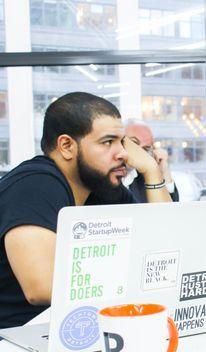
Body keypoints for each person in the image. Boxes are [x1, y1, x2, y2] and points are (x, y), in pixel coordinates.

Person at [0, 92, 172, 328]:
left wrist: (151, 170)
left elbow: (166, 240)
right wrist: (138, 276)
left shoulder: (100, 187)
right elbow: (41, 286)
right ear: (67, 146)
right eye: (107, 142)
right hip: (15, 342)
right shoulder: (35, 184)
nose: (123, 153)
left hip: (71, 329)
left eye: (122, 142)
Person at [123, 118, 179, 202]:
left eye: (145, 148)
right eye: (134, 143)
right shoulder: (104, 174)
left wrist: (163, 172)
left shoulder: (146, 177)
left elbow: (171, 210)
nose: (139, 152)